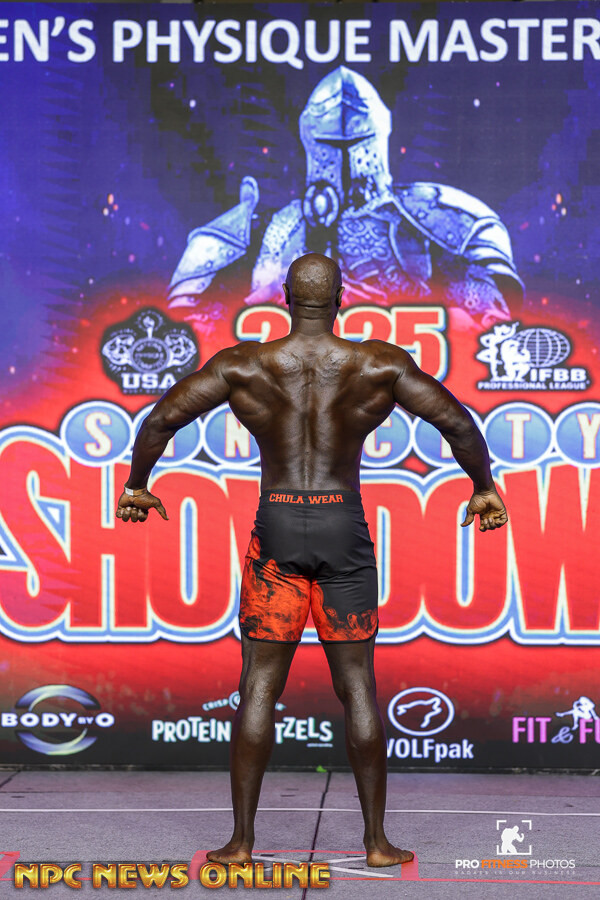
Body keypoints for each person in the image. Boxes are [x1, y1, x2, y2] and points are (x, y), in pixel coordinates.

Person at [116, 252, 508, 868]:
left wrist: (138, 483)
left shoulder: (244, 365)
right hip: (341, 525)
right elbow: (458, 424)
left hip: (277, 525)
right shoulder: (378, 364)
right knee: (357, 686)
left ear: (285, 298)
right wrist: (482, 487)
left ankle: (241, 844)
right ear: (342, 297)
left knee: (259, 685)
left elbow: (163, 418)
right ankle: (376, 844)